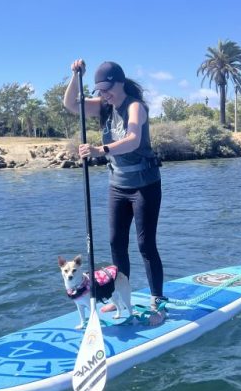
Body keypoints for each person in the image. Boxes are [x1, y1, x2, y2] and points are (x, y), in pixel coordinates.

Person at [63, 59, 166, 310]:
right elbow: (70, 104)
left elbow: (133, 139)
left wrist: (100, 150)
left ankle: (157, 299)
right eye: (99, 89)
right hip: (117, 185)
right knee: (115, 242)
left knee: (145, 244)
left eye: (107, 89)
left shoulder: (135, 107)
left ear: (120, 83)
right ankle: (120, 297)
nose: (103, 94)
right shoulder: (104, 106)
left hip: (145, 185)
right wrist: (76, 76)